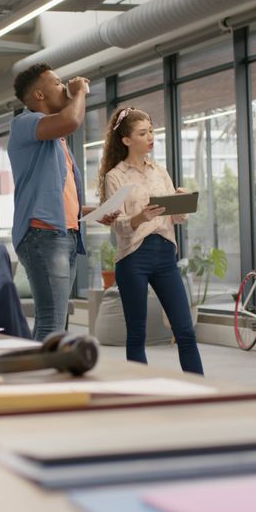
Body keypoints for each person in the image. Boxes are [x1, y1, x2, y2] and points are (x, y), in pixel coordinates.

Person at [9, 63, 117, 341]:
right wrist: (79, 92)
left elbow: (55, 197)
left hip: (62, 234)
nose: (64, 86)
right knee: (51, 324)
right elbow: (71, 120)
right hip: (42, 235)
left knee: (57, 324)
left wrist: (94, 213)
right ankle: (38, 382)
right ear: (39, 96)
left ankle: (47, 376)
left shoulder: (56, 141)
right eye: (57, 83)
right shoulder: (25, 123)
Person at [96, 107, 204, 375]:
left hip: (166, 255)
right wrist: (140, 216)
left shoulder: (160, 172)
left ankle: (201, 391)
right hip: (134, 257)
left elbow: (176, 218)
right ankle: (139, 394)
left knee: (185, 330)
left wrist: (182, 201)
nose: (150, 137)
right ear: (127, 140)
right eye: (143, 133)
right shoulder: (116, 176)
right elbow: (118, 225)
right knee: (136, 334)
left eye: (151, 131)